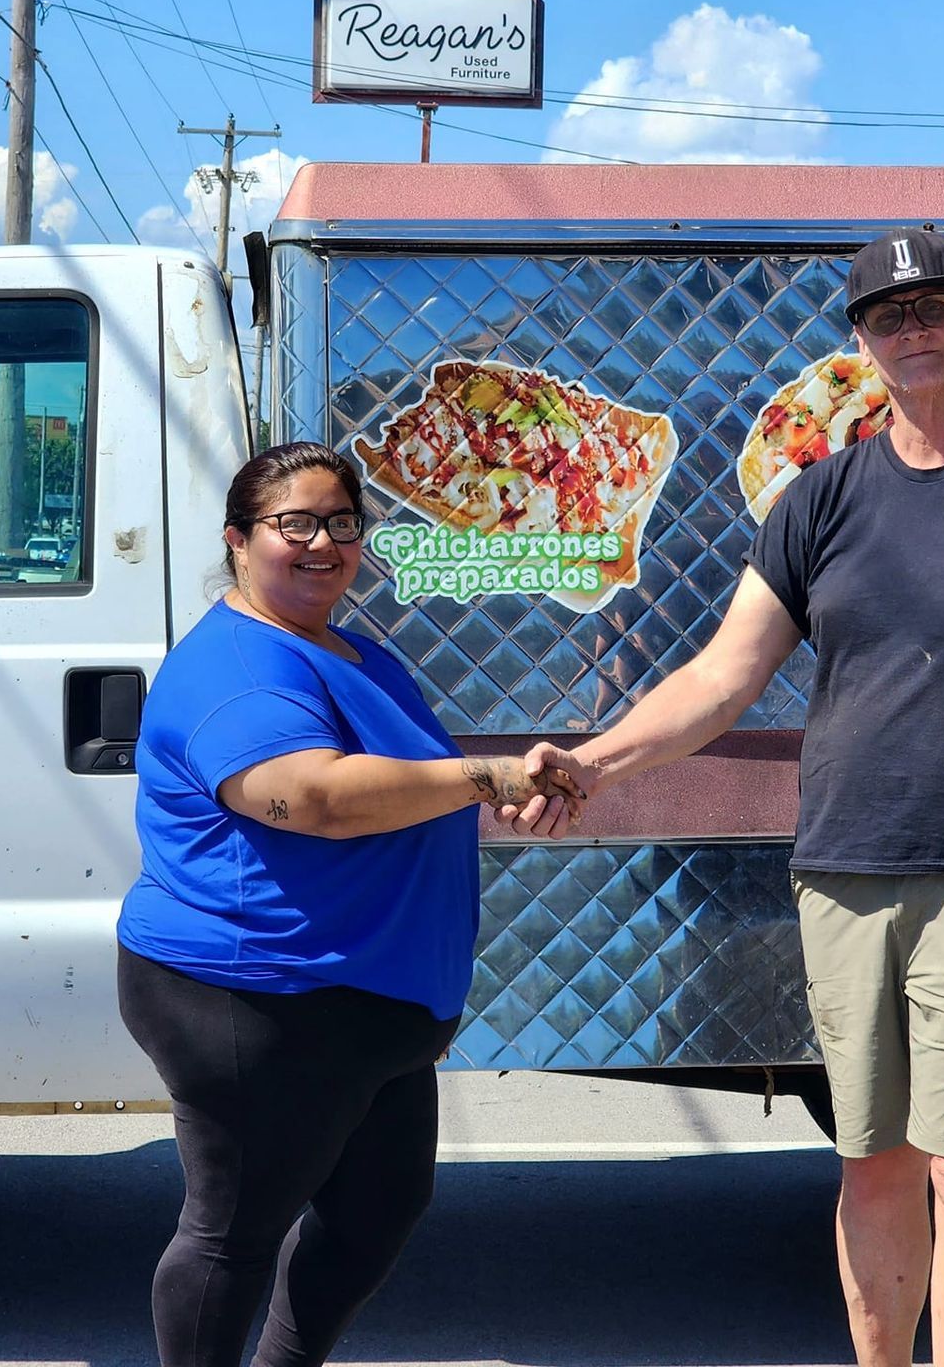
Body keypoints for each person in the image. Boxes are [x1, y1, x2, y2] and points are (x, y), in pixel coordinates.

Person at [511, 229, 944, 1367]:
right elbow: (723, 678)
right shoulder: (818, 500)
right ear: (861, 347)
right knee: (871, 1165)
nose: (911, 329)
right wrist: (595, 759)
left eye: (934, 307)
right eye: (887, 316)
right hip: (845, 874)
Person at [117, 441, 583, 1367]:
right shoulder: (237, 668)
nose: (323, 542)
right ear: (239, 541)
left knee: (375, 1213)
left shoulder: (344, 649)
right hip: (260, 996)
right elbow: (317, 798)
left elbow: (400, 786)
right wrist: (486, 776)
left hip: (365, 1000)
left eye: (342, 522)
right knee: (232, 1233)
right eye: (296, 523)